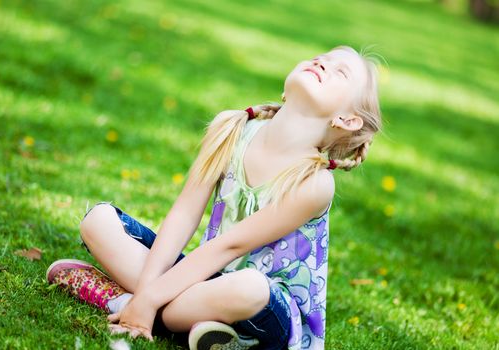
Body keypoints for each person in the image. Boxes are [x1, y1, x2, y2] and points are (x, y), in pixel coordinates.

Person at [46, 45, 382, 350]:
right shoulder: (231, 128)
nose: (322, 62)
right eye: (321, 57)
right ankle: (187, 324)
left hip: (265, 308)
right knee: (99, 221)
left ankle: (123, 302)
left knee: (249, 286)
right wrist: (148, 294)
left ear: (346, 120)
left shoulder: (314, 183)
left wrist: (148, 300)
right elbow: (183, 214)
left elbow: (231, 246)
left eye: (340, 72)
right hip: (205, 282)